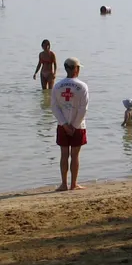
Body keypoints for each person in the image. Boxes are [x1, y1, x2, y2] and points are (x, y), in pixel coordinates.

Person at [52, 57, 88, 191]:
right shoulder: (82, 86)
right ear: (76, 69)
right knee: (75, 155)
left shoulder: (57, 86)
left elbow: (54, 107)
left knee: (64, 154)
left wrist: (65, 124)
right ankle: (73, 183)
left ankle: (63, 184)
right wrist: (74, 125)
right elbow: (83, 108)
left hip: (63, 126)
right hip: (78, 126)